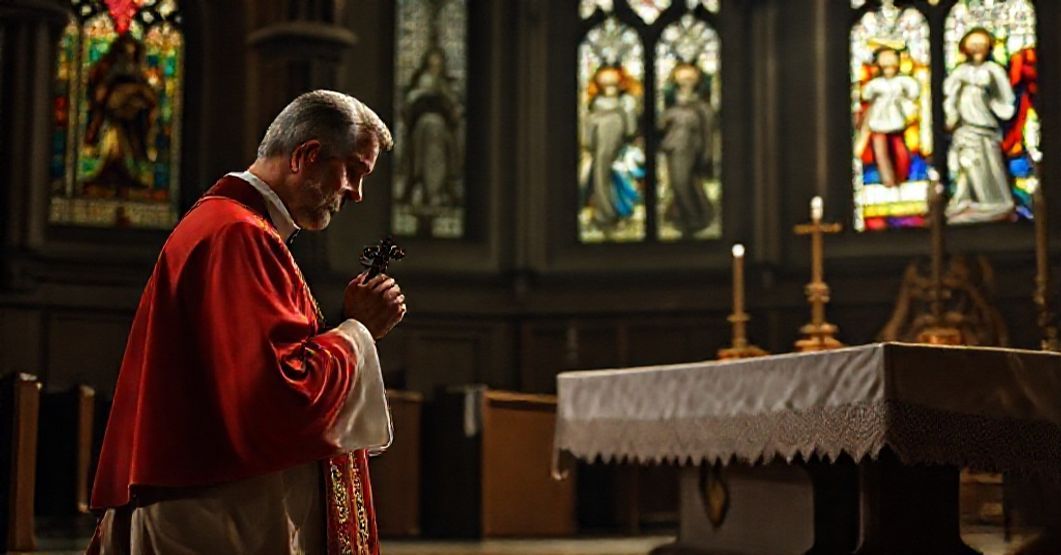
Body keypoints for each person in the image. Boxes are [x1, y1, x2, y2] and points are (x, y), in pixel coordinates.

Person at [87, 90, 405, 555]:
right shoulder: (238, 235)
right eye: (354, 171)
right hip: (215, 512)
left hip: (213, 500)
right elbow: (277, 393)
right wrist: (358, 330)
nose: (355, 193)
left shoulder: (231, 226)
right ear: (307, 155)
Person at [944, 27, 1017, 223]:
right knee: (966, 164)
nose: (977, 48)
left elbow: (1005, 97)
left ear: (988, 48)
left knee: (990, 164)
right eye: (973, 43)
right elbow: (948, 95)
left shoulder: (994, 70)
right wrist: (950, 116)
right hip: (965, 128)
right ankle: (965, 202)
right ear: (964, 47)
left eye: (982, 44)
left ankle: (993, 203)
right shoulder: (960, 72)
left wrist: (993, 100)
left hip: (986, 127)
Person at [581, 65, 643, 234]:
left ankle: (614, 214)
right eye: (606, 82)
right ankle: (605, 215)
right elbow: (588, 138)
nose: (610, 87)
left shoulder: (624, 106)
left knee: (617, 183)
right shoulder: (595, 111)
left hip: (620, 156)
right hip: (602, 155)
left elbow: (631, 131)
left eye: (614, 82)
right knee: (601, 181)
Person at [659, 62, 716, 238]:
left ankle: (694, 217)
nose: (686, 83)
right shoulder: (671, 107)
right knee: (680, 183)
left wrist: (707, 152)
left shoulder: (702, 108)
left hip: (691, 150)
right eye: (682, 79)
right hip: (673, 149)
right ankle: (688, 216)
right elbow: (660, 125)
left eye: (690, 78)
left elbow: (708, 132)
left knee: (683, 182)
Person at [857, 47, 921, 188]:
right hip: (877, 122)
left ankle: (902, 178)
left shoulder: (903, 81)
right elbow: (865, 95)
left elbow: (914, 91)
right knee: (881, 154)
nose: (888, 69)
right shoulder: (875, 84)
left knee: (901, 152)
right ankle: (887, 181)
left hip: (897, 121)